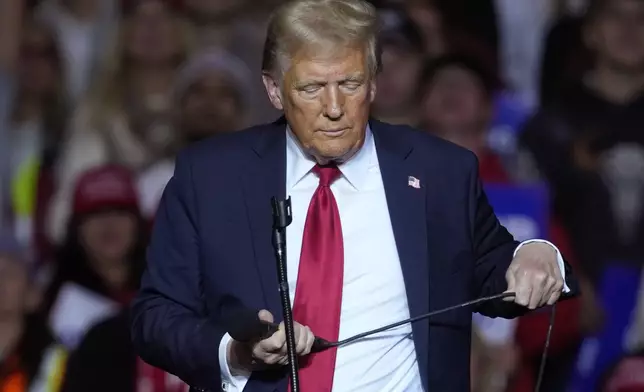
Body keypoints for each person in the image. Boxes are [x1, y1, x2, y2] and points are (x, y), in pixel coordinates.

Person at [131, 1, 578, 391]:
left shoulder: (439, 172)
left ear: (374, 83)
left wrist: (539, 255)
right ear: (273, 90)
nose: (333, 107)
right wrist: (237, 353)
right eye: (310, 88)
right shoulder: (212, 176)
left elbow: (496, 269)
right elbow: (155, 316)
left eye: (349, 84)